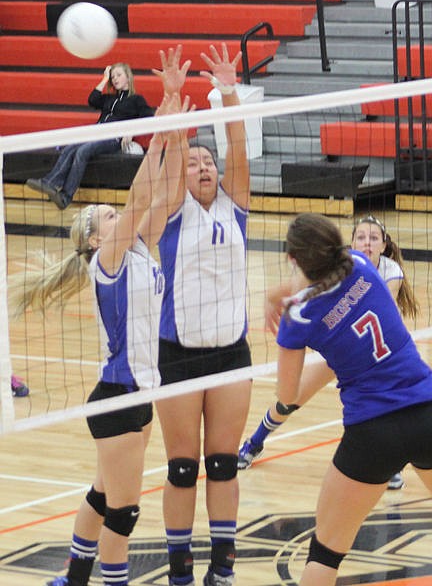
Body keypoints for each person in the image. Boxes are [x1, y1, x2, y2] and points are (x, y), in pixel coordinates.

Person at [9, 91, 189, 586]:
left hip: (140, 392)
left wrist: (176, 132)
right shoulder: (108, 264)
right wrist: (159, 131)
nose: (117, 217)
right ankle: (112, 581)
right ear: (94, 239)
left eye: (114, 214)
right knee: (124, 510)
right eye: (107, 217)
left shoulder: (137, 252)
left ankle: (75, 577)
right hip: (117, 396)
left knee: (102, 493)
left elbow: (169, 195)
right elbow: (140, 198)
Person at [270, 212, 432, 586]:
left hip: (372, 432)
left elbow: (287, 395)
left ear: (294, 260)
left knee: (325, 553)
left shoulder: (299, 315)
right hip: (425, 411)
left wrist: (286, 316)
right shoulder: (359, 262)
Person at [154, 44, 252, 586]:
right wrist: (175, 99)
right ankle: (179, 571)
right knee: (182, 468)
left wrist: (229, 90)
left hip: (230, 351)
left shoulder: (235, 208)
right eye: (195, 163)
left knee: (223, 463)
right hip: (178, 353)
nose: (204, 166)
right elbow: (174, 147)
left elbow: (236, 145)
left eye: (207, 161)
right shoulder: (173, 211)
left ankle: (224, 567)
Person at [238, 214, 419, 491]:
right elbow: (289, 290)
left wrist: (291, 306)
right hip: (348, 352)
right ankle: (255, 441)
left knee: (369, 406)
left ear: (384, 245)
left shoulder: (390, 271)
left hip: (363, 354)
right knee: (292, 400)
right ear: (346, 242)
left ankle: (388, 463)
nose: (367, 244)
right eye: (361, 237)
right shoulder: (357, 264)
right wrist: (272, 298)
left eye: (373, 238)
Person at [26, 63, 153, 210]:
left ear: (128, 77)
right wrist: (105, 79)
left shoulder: (136, 99)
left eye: (119, 75)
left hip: (113, 138)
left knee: (82, 151)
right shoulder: (109, 98)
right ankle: (50, 183)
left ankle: (65, 196)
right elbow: (92, 99)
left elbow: (148, 119)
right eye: (113, 77)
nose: (115, 79)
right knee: (70, 148)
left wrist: (130, 131)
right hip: (96, 132)